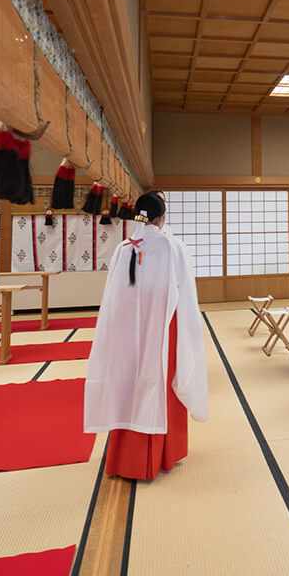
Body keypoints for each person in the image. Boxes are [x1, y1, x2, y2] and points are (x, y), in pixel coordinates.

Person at [83, 191, 208, 479]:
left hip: (127, 328)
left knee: (127, 383)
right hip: (163, 327)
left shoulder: (123, 248)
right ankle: (164, 454)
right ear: (162, 218)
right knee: (161, 384)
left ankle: (126, 456)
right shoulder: (172, 246)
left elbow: (113, 295)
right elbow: (185, 295)